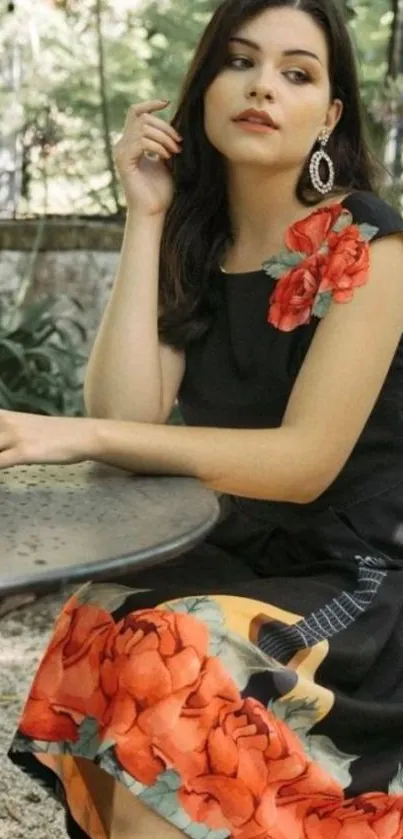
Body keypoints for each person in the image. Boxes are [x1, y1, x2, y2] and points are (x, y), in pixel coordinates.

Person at [6, 0, 403, 835]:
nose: (262, 87)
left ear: (328, 116)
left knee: (170, 647)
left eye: (296, 74)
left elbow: (304, 464)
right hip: (242, 550)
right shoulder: (200, 243)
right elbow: (128, 408)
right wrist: (146, 215)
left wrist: (69, 435)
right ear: (203, 86)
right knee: (100, 617)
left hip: (360, 577)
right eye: (238, 61)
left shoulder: (369, 242)